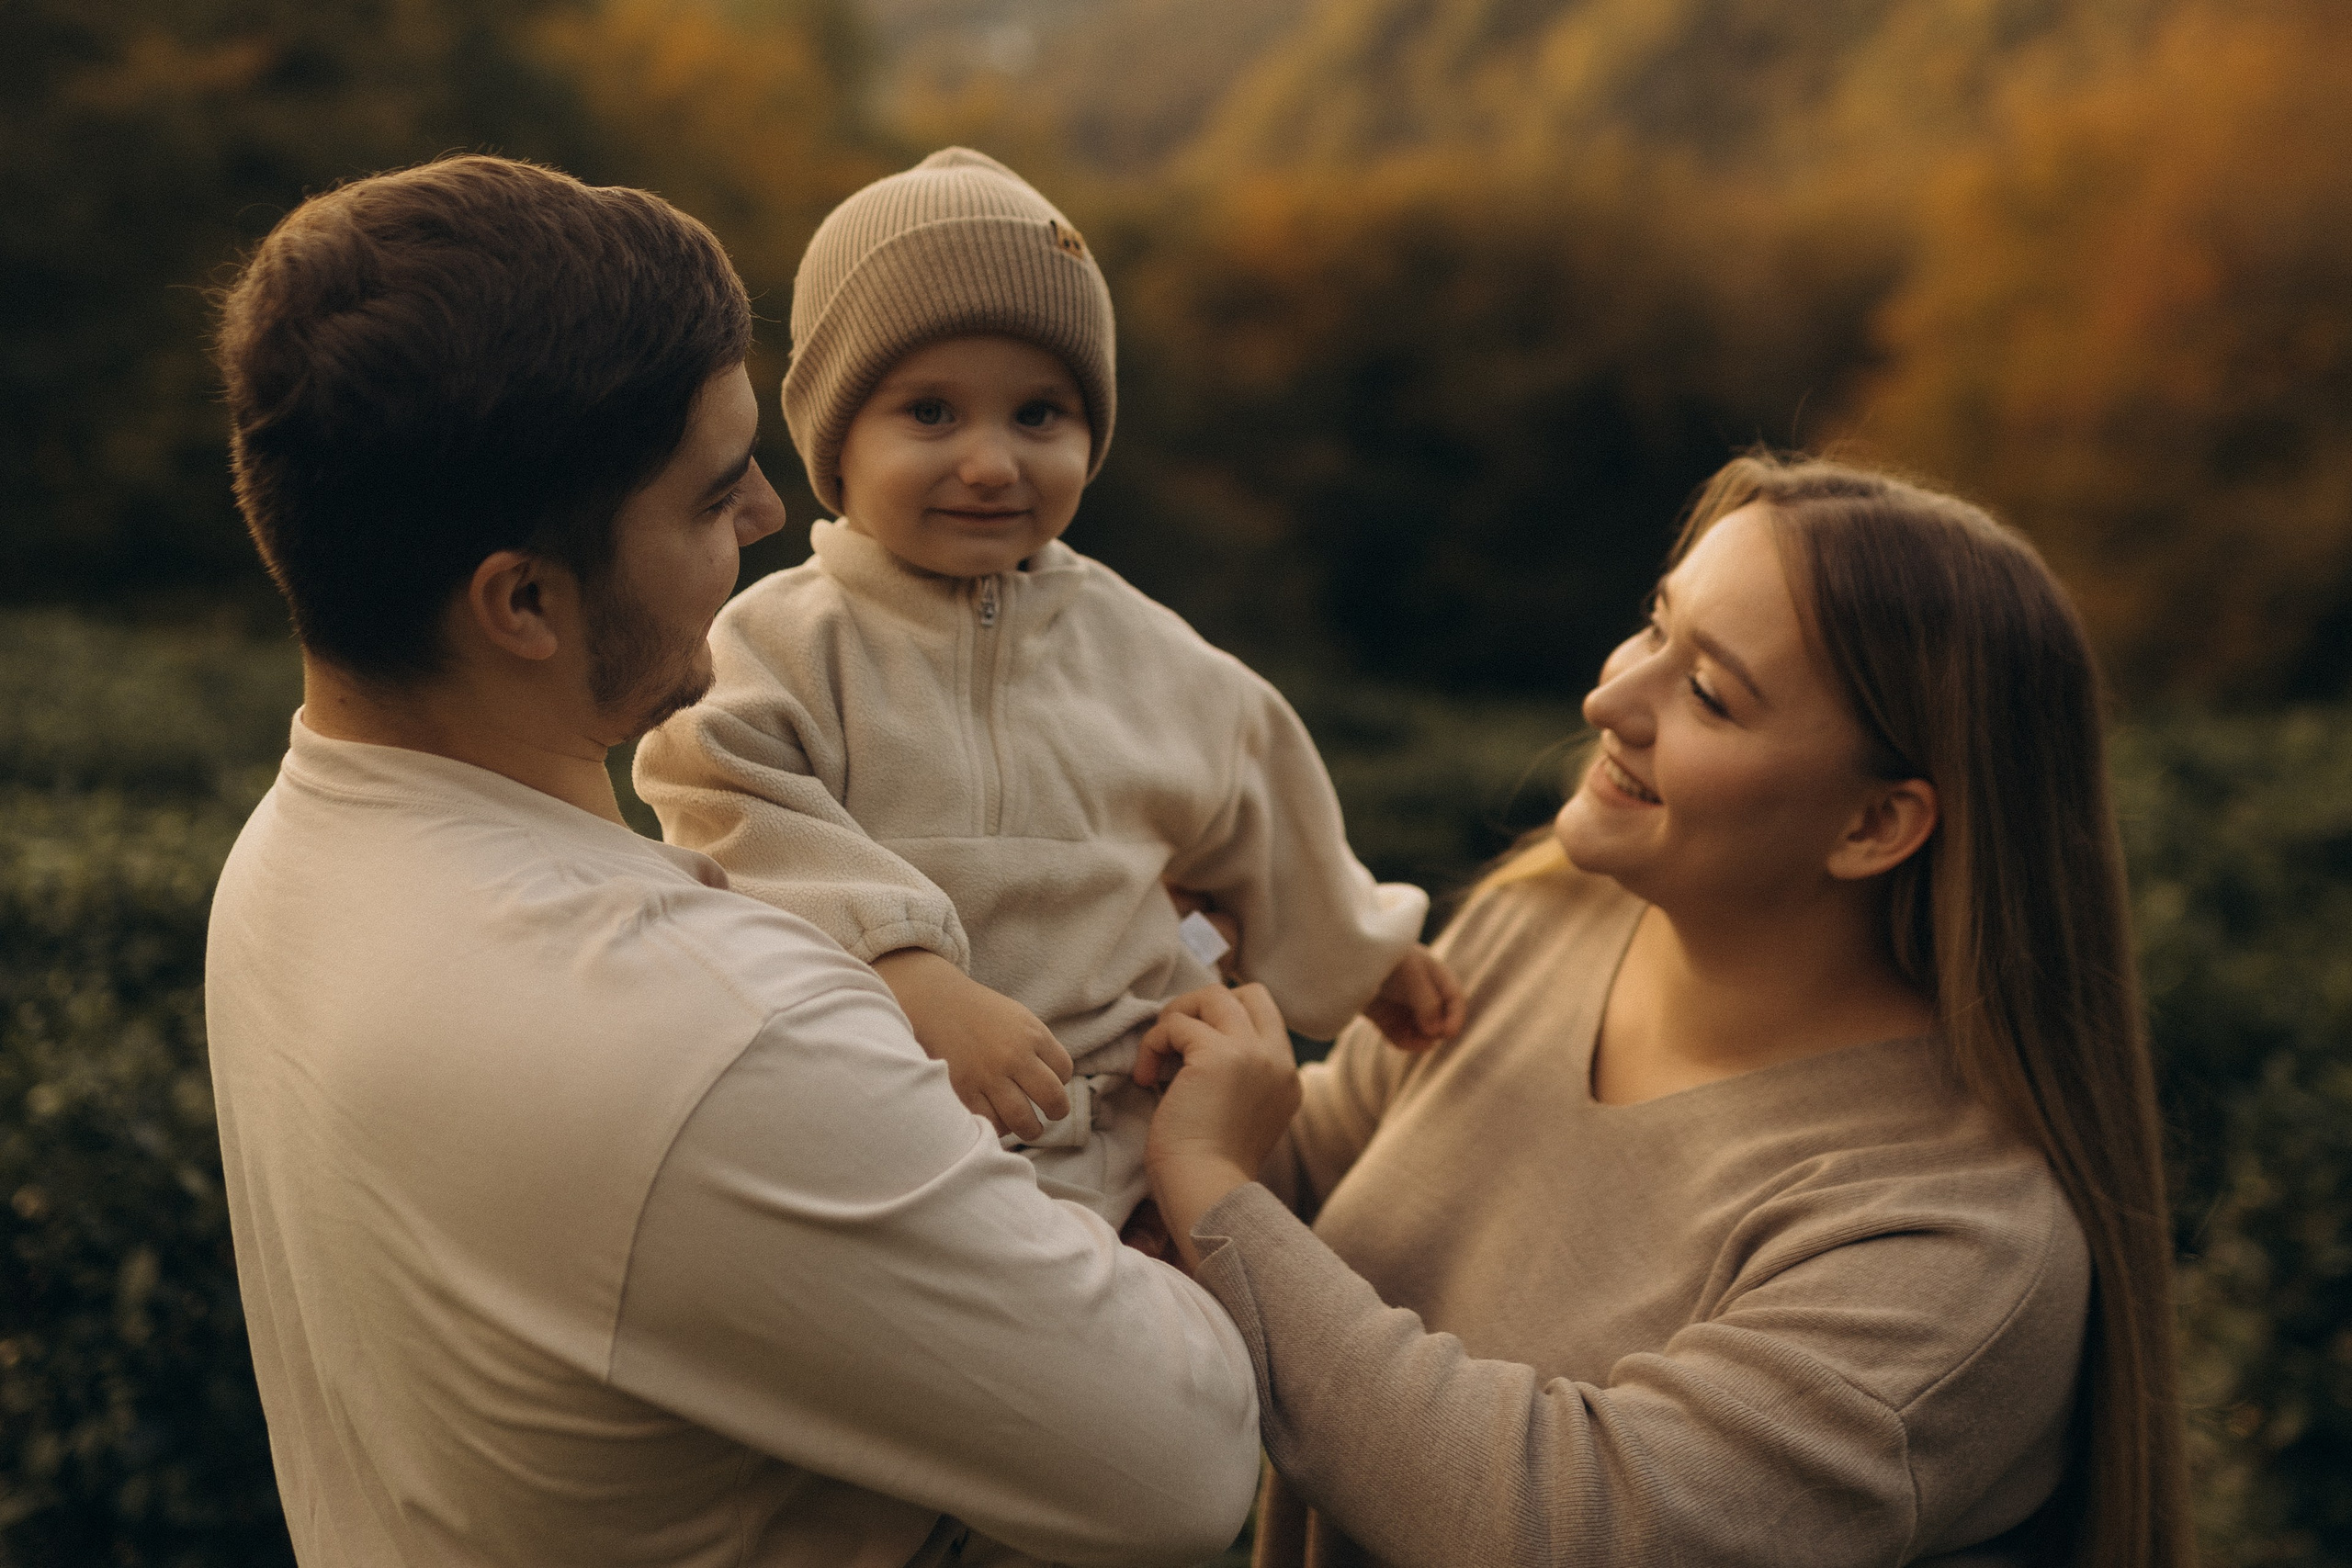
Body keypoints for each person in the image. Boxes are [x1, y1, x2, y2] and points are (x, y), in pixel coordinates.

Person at [202, 153, 1263, 1568]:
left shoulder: (297, 849)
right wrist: (1216, 1167)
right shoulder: (720, 1032)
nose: (772, 514)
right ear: (523, 599)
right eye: (711, 498)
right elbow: (1187, 1465)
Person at [1134, 454, 2194, 1566]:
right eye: (1655, 627)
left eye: (1707, 694)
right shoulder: (1551, 920)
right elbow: (1299, 1164)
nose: (1607, 700)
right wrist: (1150, 965)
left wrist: (1211, 1194)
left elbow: (1566, 1524)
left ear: (1876, 825)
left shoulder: (1953, 1245)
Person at [633, 147, 1463, 1235]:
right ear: (834, 438)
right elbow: (719, 799)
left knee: (1209, 1374)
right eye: (930, 413)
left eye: (1039, 416)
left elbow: (1260, 799)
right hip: (883, 1121)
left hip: (1126, 1140)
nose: (990, 462)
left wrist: (1361, 952)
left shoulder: (1147, 653)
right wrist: (909, 970)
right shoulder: (784, 640)